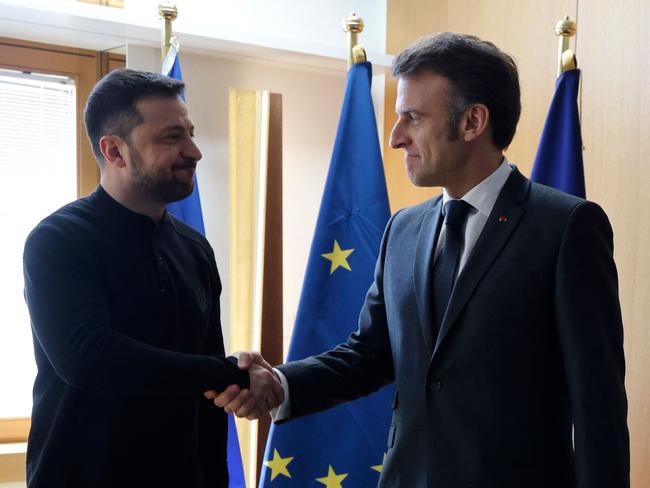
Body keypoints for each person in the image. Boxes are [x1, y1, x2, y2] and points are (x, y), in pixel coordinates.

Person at [211, 33, 630, 487]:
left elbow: (598, 403)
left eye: (412, 117)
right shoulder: (402, 229)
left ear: (472, 122)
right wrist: (279, 383)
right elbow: (369, 355)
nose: (395, 137)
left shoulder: (566, 227)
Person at [22, 69, 283, 488]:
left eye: (190, 133)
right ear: (115, 151)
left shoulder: (195, 249)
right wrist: (230, 373)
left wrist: (229, 386)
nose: (194, 151)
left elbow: (207, 397)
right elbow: (89, 357)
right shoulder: (58, 240)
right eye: (171, 137)